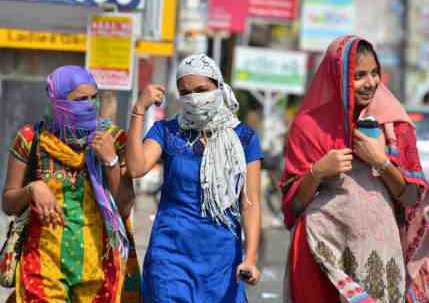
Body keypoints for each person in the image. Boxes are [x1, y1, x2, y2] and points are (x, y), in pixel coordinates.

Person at [280, 36, 429, 302]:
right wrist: (317, 172)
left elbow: (410, 199)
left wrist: (380, 162)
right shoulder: (309, 125)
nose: (370, 83)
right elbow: (294, 205)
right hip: (323, 251)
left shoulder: (393, 124)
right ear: (338, 76)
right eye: (359, 75)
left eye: (374, 73)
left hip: (378, 254)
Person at [126, 54, 263, 302]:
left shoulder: (244, 138)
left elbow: (250, 202)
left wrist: (250, 257)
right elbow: (136, 168)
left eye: (202, 90)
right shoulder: (167, 132)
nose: (194, 99)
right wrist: (138, 110)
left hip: (221, 261)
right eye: (185, 92)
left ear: (218, 86)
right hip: (170, 256)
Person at [1, 66, 140, 302]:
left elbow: (125, 206)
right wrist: (32, 189)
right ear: (57, 102)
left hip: (98, 267)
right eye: (80, 99)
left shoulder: (112, 139)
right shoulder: (31, 139)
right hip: (43, 266)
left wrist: (111, 160)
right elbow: (8, 203)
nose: (90, 105)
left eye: (94, 97)